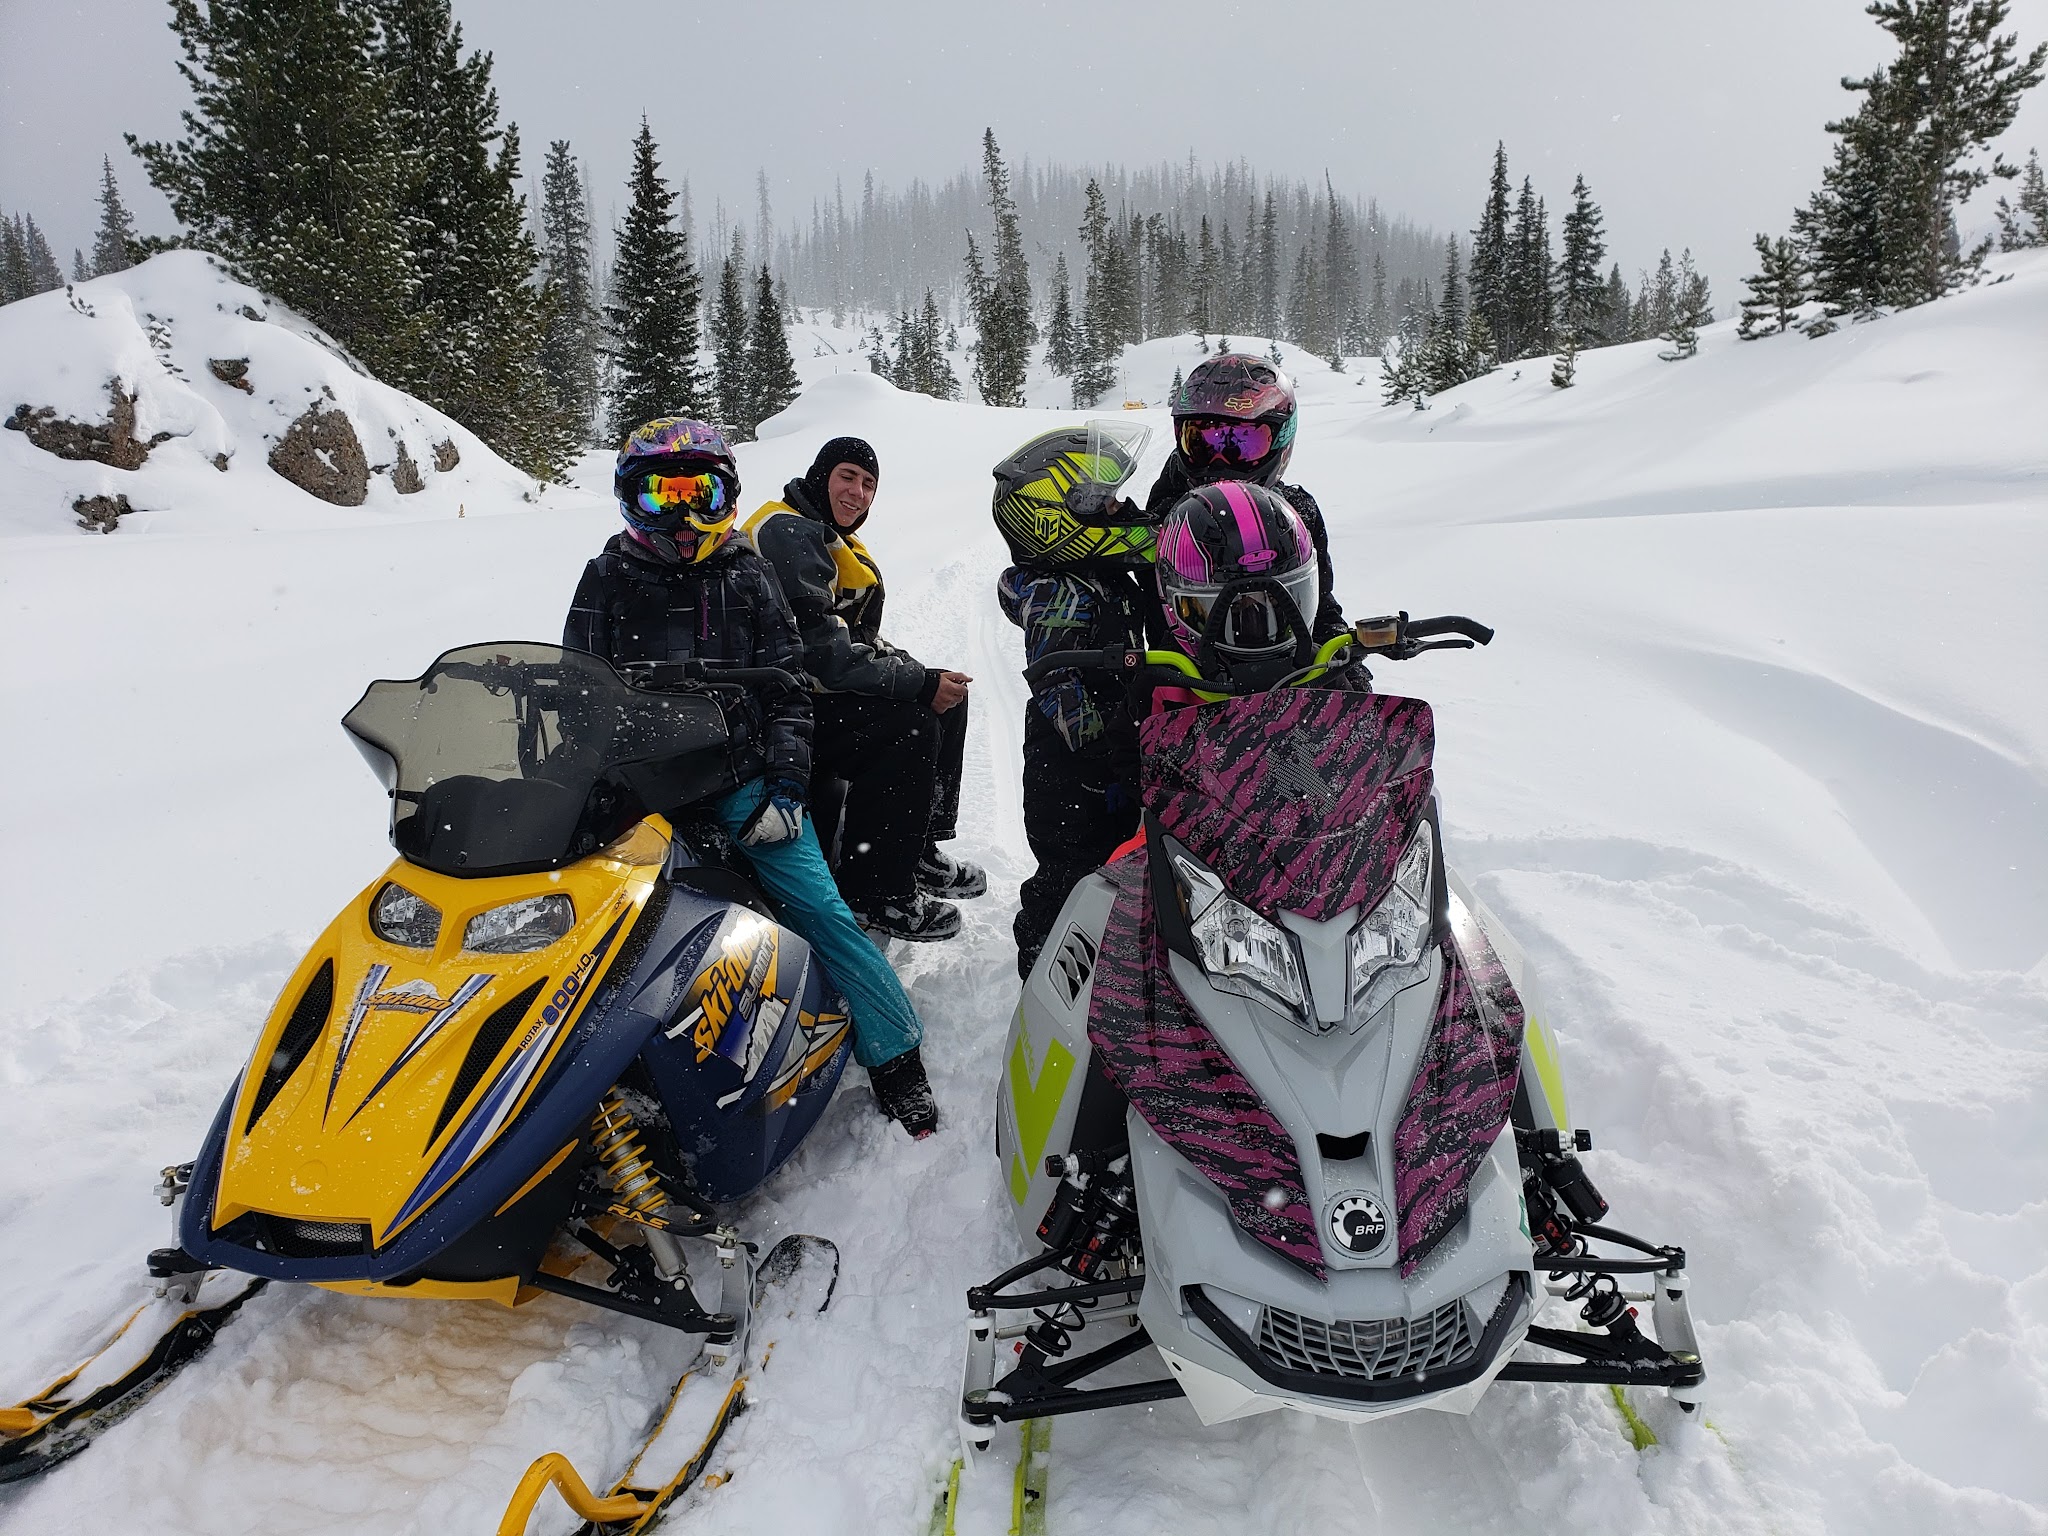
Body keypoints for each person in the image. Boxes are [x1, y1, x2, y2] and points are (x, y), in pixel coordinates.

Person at [565, 418, 937, 1137]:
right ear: (629, 501)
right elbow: (577, 691)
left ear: (726, 497)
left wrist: (787, 787)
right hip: (639, 791)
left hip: (738, 778)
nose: (682, 517)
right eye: (660, 497)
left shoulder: (748, 573)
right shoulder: (607, 577)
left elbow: (789, 691)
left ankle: (897, 1055)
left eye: (699, 494)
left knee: (822, 911)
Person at [743, 437, 984, 942]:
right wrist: (917, 685)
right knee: (910, 726)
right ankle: (875, 894)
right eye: (846, 477)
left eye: (868, 484)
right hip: (777, 705)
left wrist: (923, 675)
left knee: (946, 701)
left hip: (806, 692)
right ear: (819, 476)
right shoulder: (787, 531)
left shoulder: (823, 532)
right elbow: (821, 652)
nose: (857, 492)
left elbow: (853, 636)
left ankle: (914, 850)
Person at [993, 425, 1166, 979]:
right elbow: (1058, 685)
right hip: (1069, 764)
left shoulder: (1092, 573)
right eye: (1104, 500)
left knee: (1109, 864)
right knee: (1069, 874)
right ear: (1057, 515)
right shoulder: (1058, 589)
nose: (1120, 508)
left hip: (1105, 744)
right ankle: (1043, 975)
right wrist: (1102, 758)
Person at [1142, 354, 1348, 644]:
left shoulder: (1295, 515)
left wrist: (1344, 664)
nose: (1217, 463)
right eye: (1200, 443)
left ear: (1281, 440)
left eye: (1242, 445)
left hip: (1287, 673)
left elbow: (1323, 610)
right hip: (1179, 680)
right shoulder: (1164, 515)